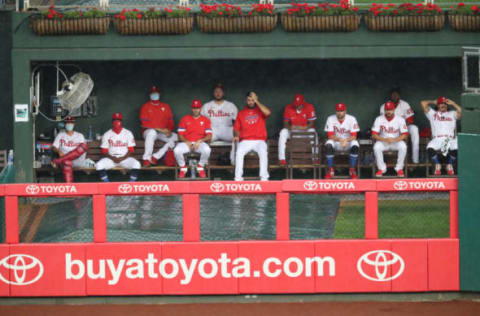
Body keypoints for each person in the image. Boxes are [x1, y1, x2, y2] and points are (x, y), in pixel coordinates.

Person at [233, 91, 271, 181]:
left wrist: (257, 101)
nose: (251, 102)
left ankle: (264, 177)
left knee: (263, 152)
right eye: (249, 100)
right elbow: (236, 129)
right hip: (245, 140)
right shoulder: (241, 113)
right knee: (239, 152)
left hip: (259, 140)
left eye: (252, 100)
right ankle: (238, 177)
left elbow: (268, 113)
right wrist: (237, 136)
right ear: (246, 101)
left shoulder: (260, 111)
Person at [421, 97, 461, 176]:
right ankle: (437, 165)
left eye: (445, 104)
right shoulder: (432, 114)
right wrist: (433, 101)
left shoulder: (452, 113)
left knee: (457, 146)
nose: (443, 105)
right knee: (430, 147)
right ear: (437, 105)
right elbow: (423, 103)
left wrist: (453, 103)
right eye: (441, 103)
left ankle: (449, 165)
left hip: (449, 139)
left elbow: (461, 111)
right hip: (437, 139)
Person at [96, 113, 141, 182]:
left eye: (118, 120)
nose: (117, 122)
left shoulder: (128, 133)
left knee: (137, 164)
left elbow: (131, 150)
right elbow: (104, 151)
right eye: (115, 120)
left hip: (124, 158)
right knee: (99, 165)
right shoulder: (107, 134)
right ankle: (107, 184)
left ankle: (131, 183)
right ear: (112, 122)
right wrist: (113, 158)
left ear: (121, 121)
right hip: (111, 159)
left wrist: (122, 158)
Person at [201, 83, 238, 164]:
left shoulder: (231, 105)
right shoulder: (206, 106)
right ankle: (204, 163)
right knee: (203, 139)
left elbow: (236, 123)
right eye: (216, 91)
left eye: (220, 91)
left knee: (237, 139)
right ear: (213, 93)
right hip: (212, 129)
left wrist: (236, 135)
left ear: (223, 93)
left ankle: (233, 162)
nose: (218, 93)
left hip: (227, 129)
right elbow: (201, 122)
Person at [139, 86, 177, 167]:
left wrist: (169, 131)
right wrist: (161, 130)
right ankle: (146, 159)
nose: (154, 95)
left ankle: (155, 157)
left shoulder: (166, 106)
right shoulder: (145, 106)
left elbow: (171, 121)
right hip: (148, 132)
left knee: (176, 138)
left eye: (156, 93)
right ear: (150, 95)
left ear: (159, 94)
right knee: (152, 133)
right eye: (153, 93)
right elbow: (144, 124)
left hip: (162, 133)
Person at [175, 99, 212, 178]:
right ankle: (183, 167)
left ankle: (200, 166)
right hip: (186, 143)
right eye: (194, 108)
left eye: (197, 108)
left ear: (200, 108)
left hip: (199, 143)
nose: (196, 110)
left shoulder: (205, 120)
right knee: (176, 150)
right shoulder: (185, 119)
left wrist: (200, 141)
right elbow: (180, 135)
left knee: (207, 150)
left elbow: (209, 136)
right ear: (192, 108)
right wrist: (186, 141)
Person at [380, 88, 419, 164]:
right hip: (391, 129)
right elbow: (383, 121)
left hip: (404, 127)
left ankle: (415, 159)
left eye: (396, 94)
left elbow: (410, 119)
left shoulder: (405, 104)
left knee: (414, 128)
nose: (395, 96)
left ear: (399, 95)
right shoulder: (384, 106)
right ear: (390, 96)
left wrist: (403, 127)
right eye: (393, 94)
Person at [372, 101, 409, 177]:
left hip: (396, 141)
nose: (389, 111)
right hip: (383, 141)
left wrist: (394, 140)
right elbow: (374, 134)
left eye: (390, 109)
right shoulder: (378, 119)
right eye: (387, 110)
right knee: (376, 147)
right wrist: (385, 139)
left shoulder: (400, 119)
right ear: (384, 110)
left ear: (394, 109)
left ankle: (399, 169)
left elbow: (405, 135)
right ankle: (381, 169)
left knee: (403, 146)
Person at [278, 94, 317, 165]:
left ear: (304, 102)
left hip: (305, 132)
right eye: (296, 104)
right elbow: (285, 123)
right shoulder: (288, 107)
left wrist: (304, 127)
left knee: (313, 132)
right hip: (293, 132)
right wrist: (290, 127)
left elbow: (312, 123)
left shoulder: (309, 106)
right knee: (283, 132)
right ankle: (282, 159)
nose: (297, 106)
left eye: (299, 104)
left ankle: (315, 158)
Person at [323, 103, 360, 179]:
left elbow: (354, 136)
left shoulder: (352, 119)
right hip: (336, 142)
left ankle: (352, 169)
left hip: (348, 142)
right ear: (335, 111)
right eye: (338, 111)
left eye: (341, 111)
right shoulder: (330, 118)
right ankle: (330, 169)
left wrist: (345, 140)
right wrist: (340, 139)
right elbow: (330, 135)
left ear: (345, 111)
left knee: (355, 144)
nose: (339, 113)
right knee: (328, 144)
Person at [51, 116, 88, 182]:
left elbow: (83, 149)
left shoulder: (80, 135)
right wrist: (59, 151)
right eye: (67, 123)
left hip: (78, 160)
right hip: (65, 162)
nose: (69, 124)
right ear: (64, 124)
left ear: (74, 124)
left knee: (83, 146)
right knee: (67, 162)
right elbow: (53, 147)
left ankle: (58, 161)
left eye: (71, 122)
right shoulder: (60, 135)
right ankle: (69, 188)